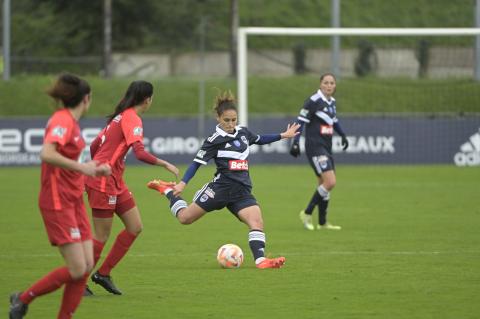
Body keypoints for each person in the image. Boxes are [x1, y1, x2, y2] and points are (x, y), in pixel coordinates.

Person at [147, 90, 299, 269]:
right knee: (185, 218)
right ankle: (168, 191)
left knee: (256, 221)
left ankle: (261, 260)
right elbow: (196, 164)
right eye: (227, 120)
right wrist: (182, 183)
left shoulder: (243, 132)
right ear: (218, 118)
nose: (231, 123)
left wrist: (283, 135)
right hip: (219, 190)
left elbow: (258, 139)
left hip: (241, 191)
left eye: (234, 119)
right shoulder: (214, 140)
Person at [9, 73, 111, 319]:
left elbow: (69, 161)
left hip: (73, 200)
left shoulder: (72, 124)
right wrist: (83, 168)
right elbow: (46, 153)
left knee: (85, 267)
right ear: (86, 99)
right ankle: (22, 299)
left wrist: (92, 166)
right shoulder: (62, 120)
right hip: (57, 202)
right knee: (77, 269)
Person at [84, 80, 179, 295]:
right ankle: (78, 283)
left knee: (135, 226)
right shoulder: (131, 118)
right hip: (103, 183)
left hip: (114, 181)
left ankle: (103, 274)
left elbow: (94, 145)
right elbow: (140, 152)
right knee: (101, 236)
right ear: (148, 99)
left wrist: (97, 167)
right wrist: (165, 163)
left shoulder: (120, 116)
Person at [289, 72, 349, 231]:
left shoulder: (332, 102)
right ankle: (307, 212)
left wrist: (342, 135)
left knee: (323, 184)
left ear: (335, 86)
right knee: (330, 182)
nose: (329, 86)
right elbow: (300, 122)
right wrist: (295, 142)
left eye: (332, 83)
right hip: (315, 147)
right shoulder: (313, 101)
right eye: (326, 83)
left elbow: (334, 121)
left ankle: (322, 223)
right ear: (320, 84)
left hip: (326, 147)